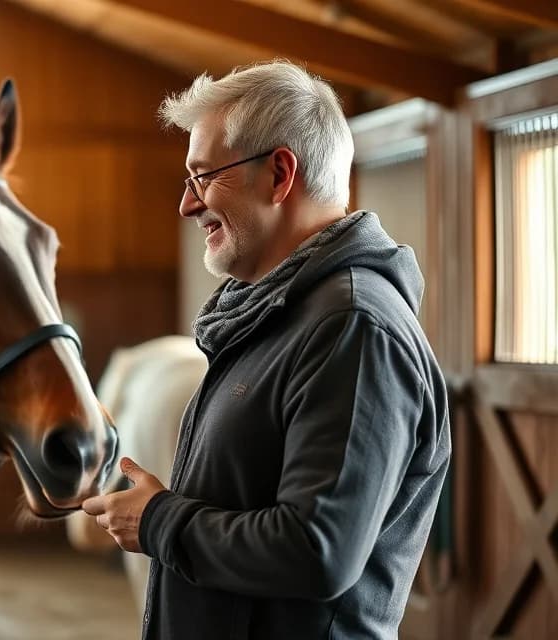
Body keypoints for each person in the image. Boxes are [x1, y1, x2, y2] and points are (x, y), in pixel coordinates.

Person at [81, 61, 450, 639]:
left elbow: (318, 550)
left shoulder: (352, 329)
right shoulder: (278, 315)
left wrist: (159, 522)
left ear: (279, 174)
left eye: (203, 177)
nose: (187, 205)